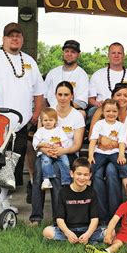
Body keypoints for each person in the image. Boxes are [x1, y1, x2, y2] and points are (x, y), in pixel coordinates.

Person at [0, 22, 44, 209]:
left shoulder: (29, 61)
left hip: (20, 124)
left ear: (22, 39)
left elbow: (39, 91)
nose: (15, 38)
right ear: (3, 39)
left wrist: (37, 112)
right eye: (10, 35)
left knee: (11, 163)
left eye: (18, 35)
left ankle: (4, 200)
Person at [29, 81, 85, 225]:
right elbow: (39, 136)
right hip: (46, 152)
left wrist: (61, 151)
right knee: (38, 173)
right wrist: (44, 149)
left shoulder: (77, 116)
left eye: (66, 94)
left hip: (68, 153)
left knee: (54, 174)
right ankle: (36, 216)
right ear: (55, 95)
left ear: (72, 96)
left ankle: (58, 218)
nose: (63, 98)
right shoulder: (48, 112)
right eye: (60, 94)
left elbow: (77, 145)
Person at [89, 82, 127, 224]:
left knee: (112, 170)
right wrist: (101, 140)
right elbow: (92, 135)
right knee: (97, 174)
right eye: (118, 95)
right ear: (112, 96)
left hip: (124, 153)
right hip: (101, 152)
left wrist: (110, 143)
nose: (122, 98)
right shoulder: (101, 111)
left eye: (126, 95)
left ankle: (117, 214)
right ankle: (102, 217)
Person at [43, 157, 105, 244]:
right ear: (72, 174)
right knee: (47, 231)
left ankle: (84, 239)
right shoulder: (63, 192)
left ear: (90, 176)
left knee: (110, 232)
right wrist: (68, 233)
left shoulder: (92, 192)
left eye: (85, 174)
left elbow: (95, 219)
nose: (82, 177)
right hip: (69, 229)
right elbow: (59, 219)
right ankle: (76, 239)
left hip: (87, 229)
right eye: (79, 174)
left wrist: (88, 234)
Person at [88, 99, 127, 189]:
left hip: (114, 152)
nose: (111, 113)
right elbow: (93, 140)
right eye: (108, 111)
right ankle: (84, 192)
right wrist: (90, 155)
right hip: (100, 152)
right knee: (90, 169)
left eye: (114, 111)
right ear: (103, 112)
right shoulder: (99, 124)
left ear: (118, 112)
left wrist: (121, 155)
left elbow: (122, 142)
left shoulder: (120, 126)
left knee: (124, 168)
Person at [88, 42, 127, 111]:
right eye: (113, 53)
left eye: (119, 53)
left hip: (125, 110)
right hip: (102, 110)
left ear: (124, 56)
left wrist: (125, 105)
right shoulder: (97, 74)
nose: (116, 56)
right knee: (92, 111)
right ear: (108, 55)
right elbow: (90, 98)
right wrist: (97, 103)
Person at [32, 108, 72, 190]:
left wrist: (59, 147)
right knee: (46, 161)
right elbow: (35, 143)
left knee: (65, 161)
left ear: (55, 121)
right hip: (45, 152)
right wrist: (42, 144)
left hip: (58, 151)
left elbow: (65, 141)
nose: (48, 122)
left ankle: (66, 180)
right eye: (45, 120)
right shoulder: (40, 131)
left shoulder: (59, 130)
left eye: (51, 120)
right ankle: (46, 179)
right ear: (42, 121)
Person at [44, 40, 89, 111]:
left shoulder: (82, 75)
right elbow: (44, 97)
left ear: (78, 55)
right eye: (67, 51)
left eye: (73, 52)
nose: (69, 54)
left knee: (81, 113)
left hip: (72, 111)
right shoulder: (53, 72)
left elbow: (82, 103)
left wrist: (62, 110)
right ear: (63, 53)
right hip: (51, 113)